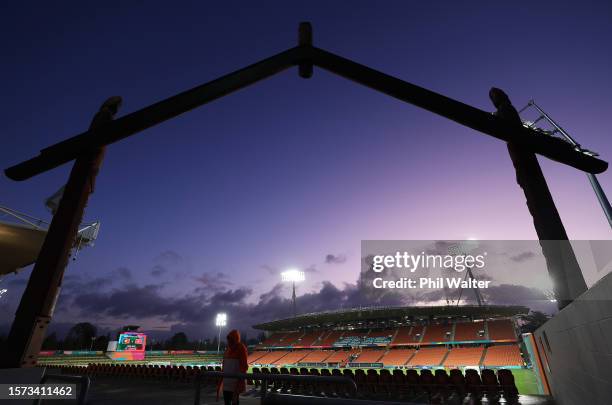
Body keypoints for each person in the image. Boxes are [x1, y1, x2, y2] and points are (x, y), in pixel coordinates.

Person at [217, 329, 248, 405]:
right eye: (228, 340)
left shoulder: (241, 348)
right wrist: (220, 383)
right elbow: (223, 367)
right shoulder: (227, 350)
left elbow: (243, 366)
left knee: (234, 402)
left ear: (235, 339)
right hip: (226, 384)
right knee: (227, 402)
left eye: (231, 340)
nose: (229, 342)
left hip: (235, 384)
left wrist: (239, 384)